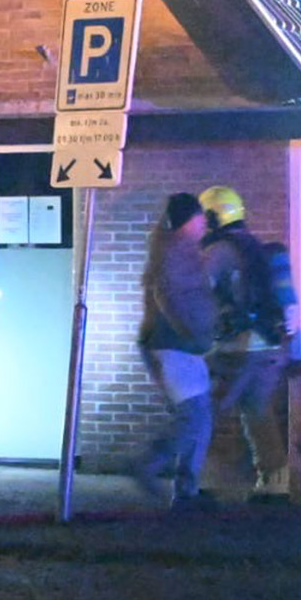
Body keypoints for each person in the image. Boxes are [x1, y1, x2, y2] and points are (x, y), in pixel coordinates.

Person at [199, 185, 293, 503]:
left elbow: (197, 292)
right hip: (270, 347)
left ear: (213, 217)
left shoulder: (218, 251)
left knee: (203, 412)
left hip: (236, 349)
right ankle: (275, 484)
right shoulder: (258, 248)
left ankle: (198, 482)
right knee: (258, 412)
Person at [129, 192, 219, 511]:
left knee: (200, 417)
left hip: (183, 347)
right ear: (189, 220)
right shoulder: (175, 252)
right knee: (193, 418)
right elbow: (167, 295)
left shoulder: (180, 250)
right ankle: (149, 465)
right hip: (174, 347)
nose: (204, 222)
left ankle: (186, 492)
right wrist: (190, 332)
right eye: (200, 216)